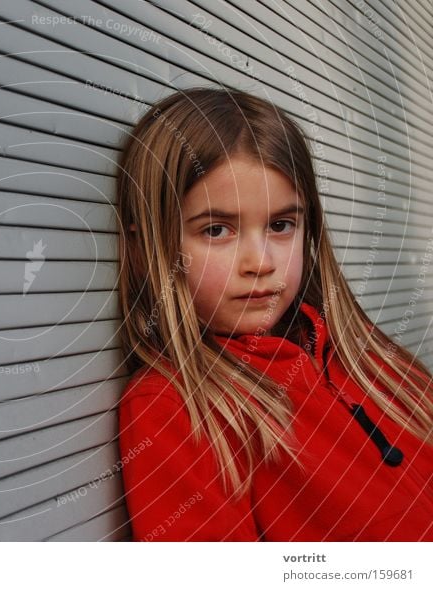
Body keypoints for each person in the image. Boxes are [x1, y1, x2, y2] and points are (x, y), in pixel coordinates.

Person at [115, 86, 433, 541]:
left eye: (281, 225)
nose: (260, 262)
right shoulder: (175, 410)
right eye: (217, 229)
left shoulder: (368, 359)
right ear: (147, 248)